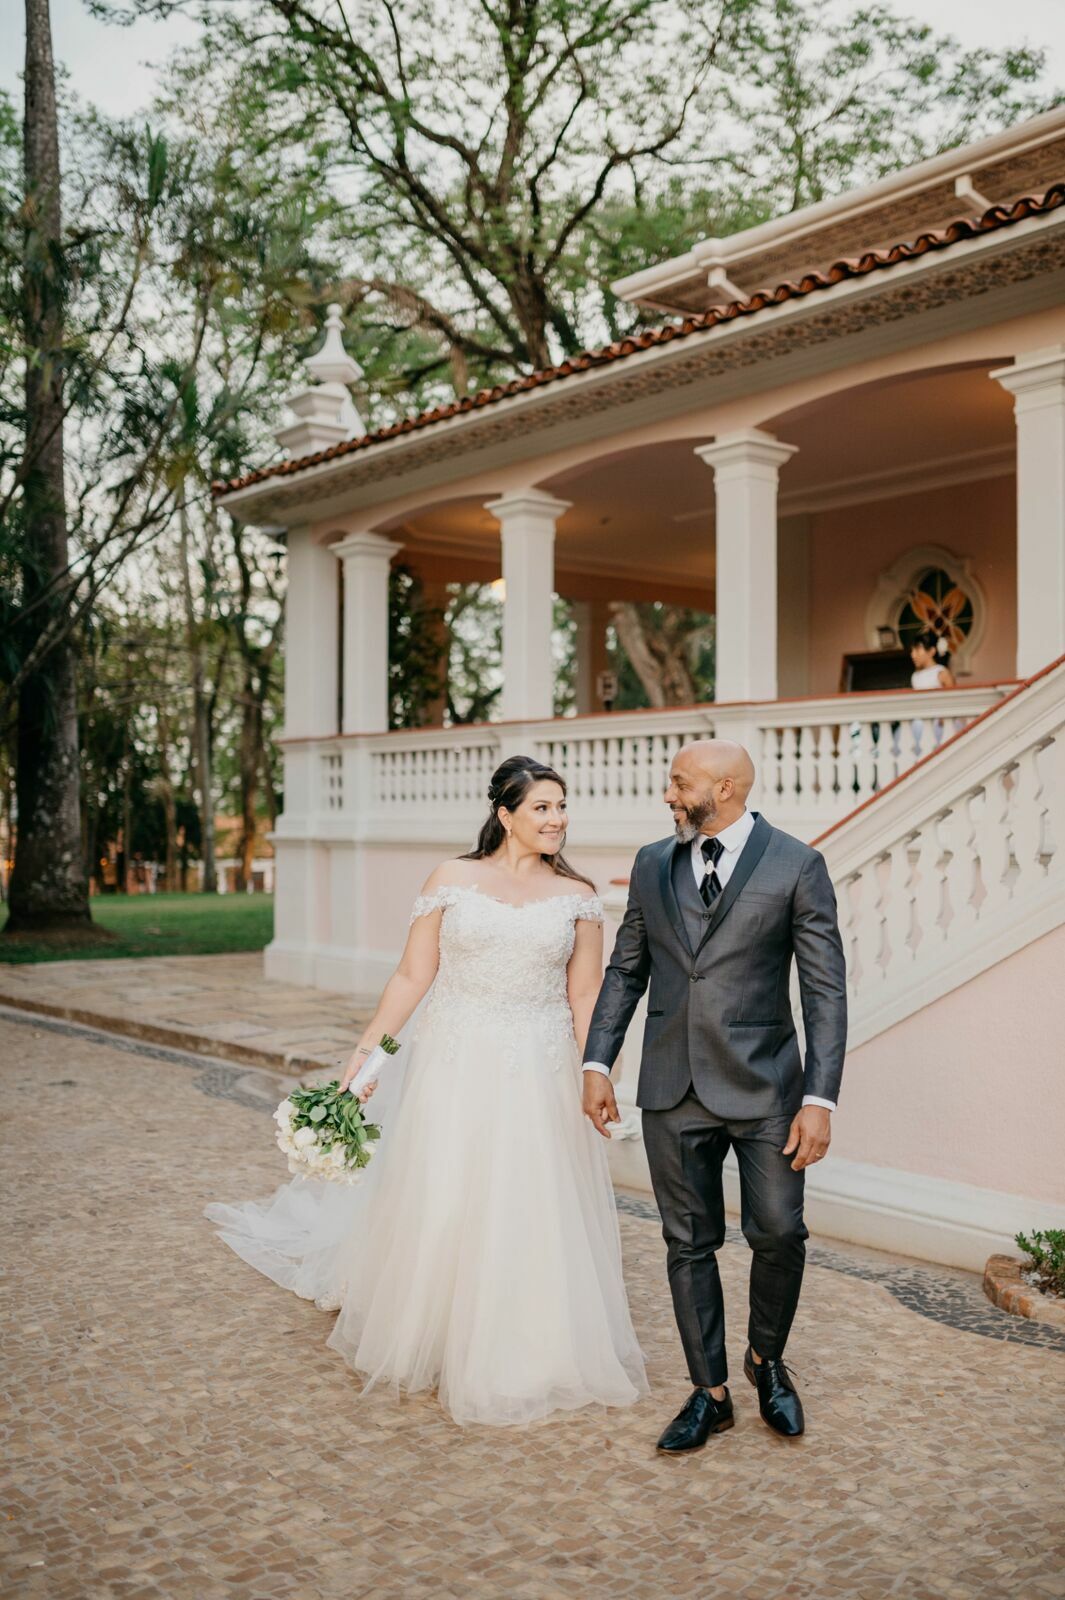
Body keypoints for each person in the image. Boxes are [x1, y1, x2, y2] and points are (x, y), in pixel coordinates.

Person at [206, 755, 647, 1427]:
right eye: (542, 807)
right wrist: (365, 1061)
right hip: (453, 1055)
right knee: (446, 1185)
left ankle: (527, 1338)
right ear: (505, 814)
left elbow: (585, 993)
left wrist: (598, 1069)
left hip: (538, 1061)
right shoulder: (451, 879)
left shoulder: (578, 896)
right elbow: (413, 976)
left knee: (529, 1192)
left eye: (562, 807)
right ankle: (433, 1326)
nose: (557, 819)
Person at [582, 739, 846, 1450]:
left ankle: (765, 1359)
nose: (668, 795)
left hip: (767, 1090)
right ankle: (710, 1392)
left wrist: (819, 1099)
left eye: (679, 783)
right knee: (687, 1243)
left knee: (779, 1231)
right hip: (671, 1088)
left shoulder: (797, 865)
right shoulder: (652, 863)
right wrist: (598, 1061)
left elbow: (824, 991)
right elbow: (626, 970)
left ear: (723, 789)